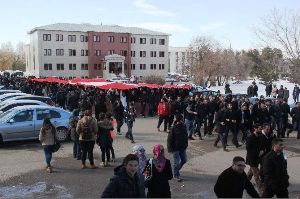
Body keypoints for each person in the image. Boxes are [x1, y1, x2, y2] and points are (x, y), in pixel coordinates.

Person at [167, 114, 188, 182]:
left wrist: (186, 144)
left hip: (183, 147)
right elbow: (169, 139)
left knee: (184, 160)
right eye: (182, 119)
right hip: (175, 148)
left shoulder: (184, 126)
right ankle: (175, 175)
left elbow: (185, 136)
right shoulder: (173, 128)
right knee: (176, 162)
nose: (183, 120)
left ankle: (175, 171)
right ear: (180, 120)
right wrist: (170, 148)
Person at [246, 124, 263, 194]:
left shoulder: (259, 136)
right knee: (256, 175)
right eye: (259, 128)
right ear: (255, 129)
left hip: (257, 158)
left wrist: (262, 150)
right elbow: (248, 148)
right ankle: (261, 190)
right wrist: (257, 152)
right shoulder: (251, 137)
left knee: (250, 173)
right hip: (252, 158)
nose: (260, 129)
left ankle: (243, 183)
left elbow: (260, 146)